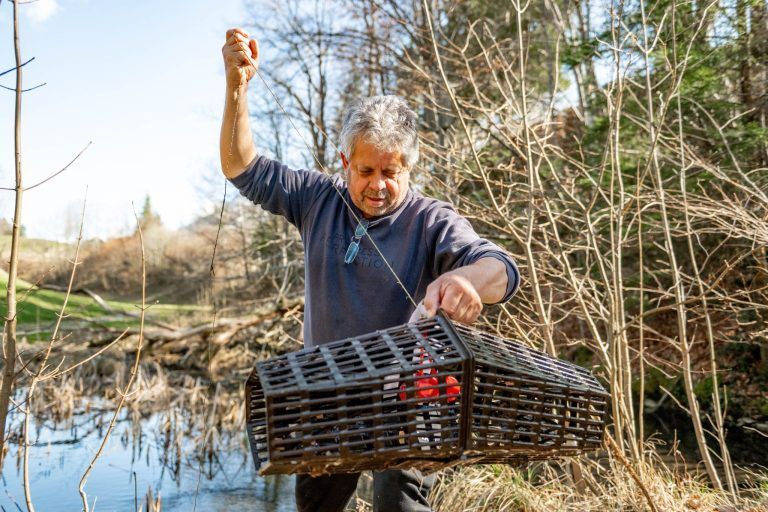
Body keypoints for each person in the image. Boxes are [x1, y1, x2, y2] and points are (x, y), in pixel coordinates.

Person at [220, 28, 521, 512]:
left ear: (409, 169)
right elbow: (240, 166)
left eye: (391, 172)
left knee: (398, 504)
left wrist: (467, 281)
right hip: (325, 392)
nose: (378, 185)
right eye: (366, 171)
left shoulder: (432, 220)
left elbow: (502, 268)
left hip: (407, 401)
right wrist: (237, 87)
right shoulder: (317, 198)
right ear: (345, 163)